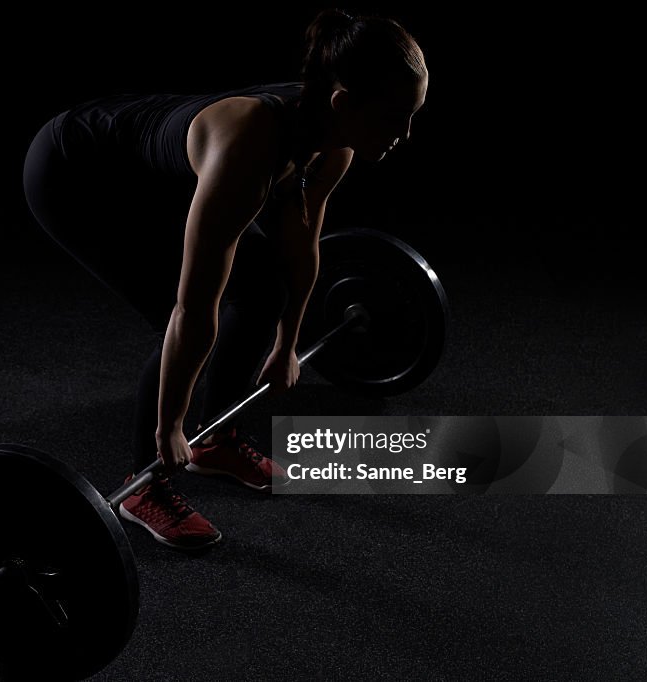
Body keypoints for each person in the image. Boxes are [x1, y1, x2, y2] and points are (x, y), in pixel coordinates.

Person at [23, 8, 427, 549]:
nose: (405, 134)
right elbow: (192, 310)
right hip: (77, 176)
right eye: (395, 115)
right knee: (188, 320)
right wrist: (170, 425)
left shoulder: (334, 146)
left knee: (263, 287)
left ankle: (215, 443)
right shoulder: (248, 148)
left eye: (413, 115)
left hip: (155, 175)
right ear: (344, 102)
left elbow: (301, 247)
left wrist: (288, 342)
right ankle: (146, 482)